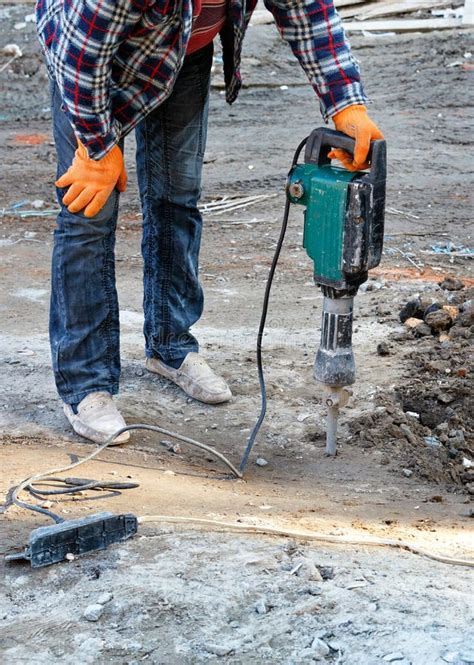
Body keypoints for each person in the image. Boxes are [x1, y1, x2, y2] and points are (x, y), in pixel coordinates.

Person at [35, 0, 383, 445]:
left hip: (182, 47)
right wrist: (98, 146)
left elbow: (308, 11)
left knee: (177, 196)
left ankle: (171, 346)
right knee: (90, 213)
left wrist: (345, 103)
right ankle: (85, 383)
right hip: (87, 56)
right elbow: (80, 57)